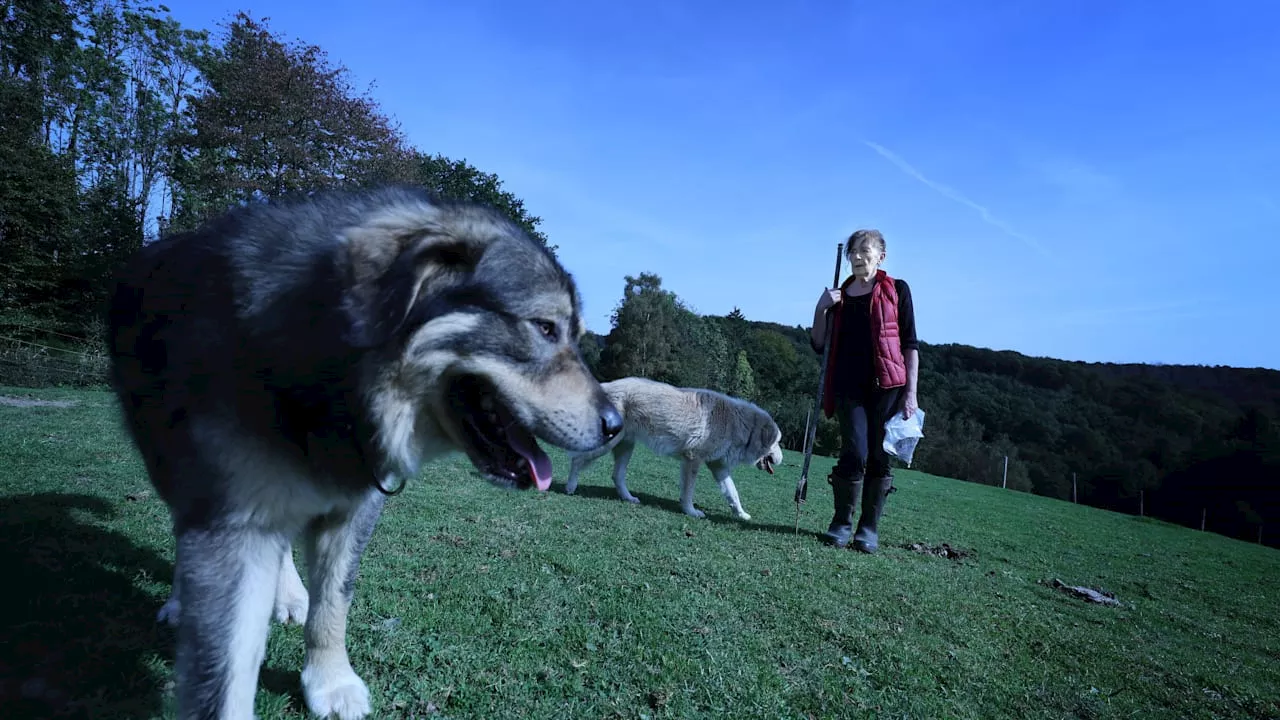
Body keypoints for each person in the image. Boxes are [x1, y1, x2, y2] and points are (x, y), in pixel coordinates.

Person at [809, 228, 919, 553]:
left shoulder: (897, 290)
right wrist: (820, 308)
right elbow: (819, 343)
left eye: (864, 251)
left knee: (879, 457)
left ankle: (868, 529)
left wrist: (911, 394)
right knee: (854, 453)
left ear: (881, 256)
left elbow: (910, 345)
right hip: (847, 387)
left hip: (888, 388)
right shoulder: (838, 296)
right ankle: (841, 523)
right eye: (853, 252)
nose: (857, 257)